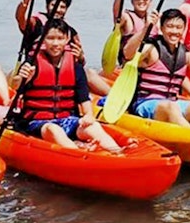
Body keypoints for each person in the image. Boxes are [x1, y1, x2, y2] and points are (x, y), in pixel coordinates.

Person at [9, 18, 123, 153]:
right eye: (50, 38)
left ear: (67, 39)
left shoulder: (75, 68)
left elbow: (85, 103)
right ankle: (79, 154)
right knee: (53, 129)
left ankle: (118, 154)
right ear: (44, 39)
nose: (55, 43)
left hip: (67, 119)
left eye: (60, 38)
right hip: (37, 123)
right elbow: (15, 86)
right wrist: (23, 78)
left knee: (94, 127)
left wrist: (88, 116)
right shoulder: (32, 63)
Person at [130, 9, 190, 131]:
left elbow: (179, 78)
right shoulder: (151, 49)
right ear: (161, 28)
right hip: (146, 103)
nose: (174, 31)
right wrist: (146, 28)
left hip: (172, 103)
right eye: (170, 26)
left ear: (183, 30)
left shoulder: (185, 55)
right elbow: (128, 55)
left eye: (178, 27)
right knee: (170, 107)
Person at [118, 0, 157, 64]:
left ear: (150, 2)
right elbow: (117, 13)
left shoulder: (155, 19)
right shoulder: (126, 17)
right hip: (130, 60)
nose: (141, 1)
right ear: (132, 1)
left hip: (150, 61)